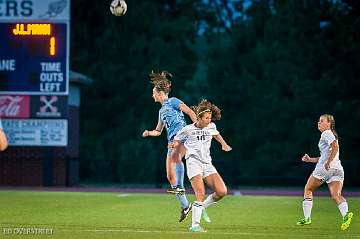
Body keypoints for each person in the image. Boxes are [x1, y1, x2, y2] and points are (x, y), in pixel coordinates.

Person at [142, 70, 197, 222]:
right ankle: (186, 206)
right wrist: (148, 133)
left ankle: (180, 186)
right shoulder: (161, 112)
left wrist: (195, 128)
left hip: (183, 137)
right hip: (171, 142)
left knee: (176, 156)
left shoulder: (173, 101)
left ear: (159, 93)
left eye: (153, 92)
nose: (152, 95)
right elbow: (158, 131)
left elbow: (190, 112)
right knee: (169, 176)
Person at [171, 99, 232, 232]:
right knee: (200, 193)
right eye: (206, 118)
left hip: (207, 163)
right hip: (194, 163)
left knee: (222, 192)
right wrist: (174, 144)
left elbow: (217, 134)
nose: (209, 120)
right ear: (198, 117)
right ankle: (195, 225)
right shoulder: (188, 129)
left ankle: (201, 207)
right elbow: (177, 138)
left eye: (210, 118)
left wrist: (224, 144)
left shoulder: (211, 127)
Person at [297, 114, 353, 231]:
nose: (319, 123)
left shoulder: (326, 133)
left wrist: (328, 162)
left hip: (325, 168)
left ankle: (307, 218)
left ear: (329, 123)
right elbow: (325, 155)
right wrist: (310, 159)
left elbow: (335, 147)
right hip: (338, 169)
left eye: (322, 121)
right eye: (319, 121)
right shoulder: (332, 135)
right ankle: (346, 215)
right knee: (336, 195)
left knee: (308, 189)